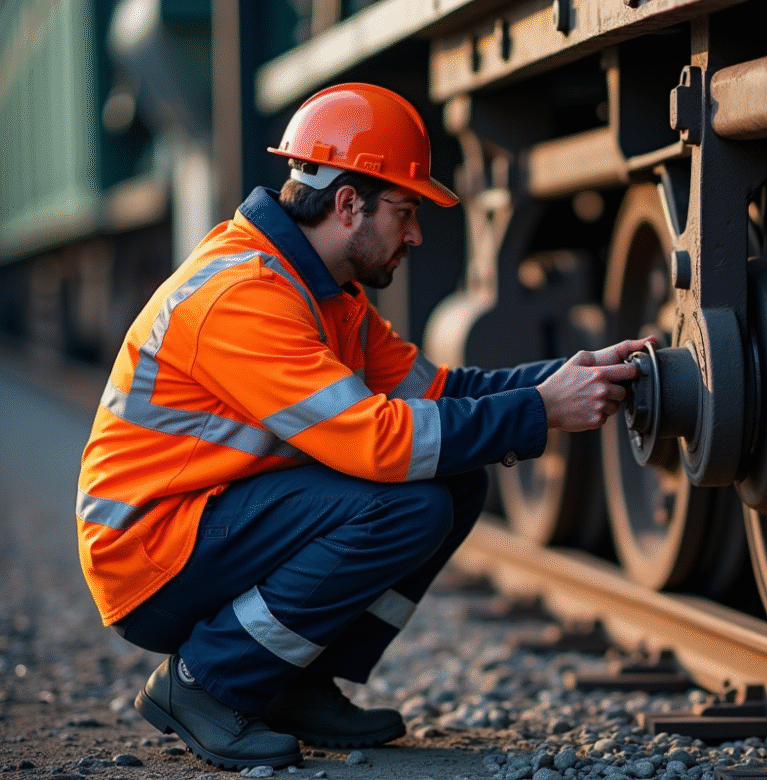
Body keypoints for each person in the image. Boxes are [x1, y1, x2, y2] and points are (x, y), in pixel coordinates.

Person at [75, 83, 650, 770]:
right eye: (406, 211)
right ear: (348, 204)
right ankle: (207, 683)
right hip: (148, 553)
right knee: (407, 502)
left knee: (456, 473)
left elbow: (441, 394)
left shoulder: (322, 292)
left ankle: (295, 680)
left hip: (205, 518)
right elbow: (380, 442)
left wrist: (570, 375)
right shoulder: (245, 297)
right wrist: (540, 412)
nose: (415, 234)